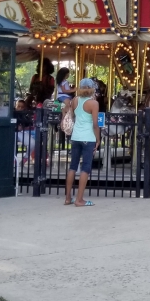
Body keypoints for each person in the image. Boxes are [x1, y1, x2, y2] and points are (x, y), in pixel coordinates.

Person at [64, 78, 100, 207]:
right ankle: (79, 200)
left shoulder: (75, 100)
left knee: (73, 167)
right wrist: (98, 139)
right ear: (92, 89)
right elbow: (95, 124)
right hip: (88, 137)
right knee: (85, 168)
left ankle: (68, 198)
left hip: (76, 136)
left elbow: (73, 116)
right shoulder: (93, 103)